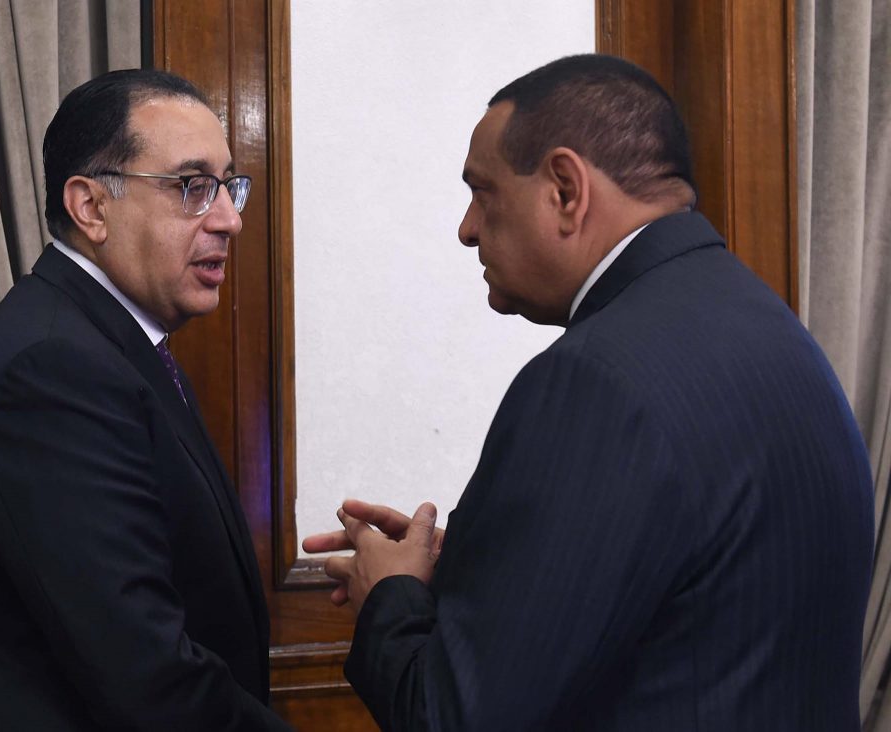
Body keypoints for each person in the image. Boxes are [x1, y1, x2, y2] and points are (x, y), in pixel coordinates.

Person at [304, 54, 874, 731]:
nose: (467, 228)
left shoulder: (593, 378)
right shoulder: (773, 329)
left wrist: (389, 594)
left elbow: (453, 717)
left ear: (566, 190)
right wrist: (485, 565)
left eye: (483, 192)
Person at [0, 69, 291, 731]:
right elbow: (147, 677)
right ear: (91, 207)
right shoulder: (51, 371)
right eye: (192, 187)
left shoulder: (110, 345)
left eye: (228, 186)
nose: (230, 219)